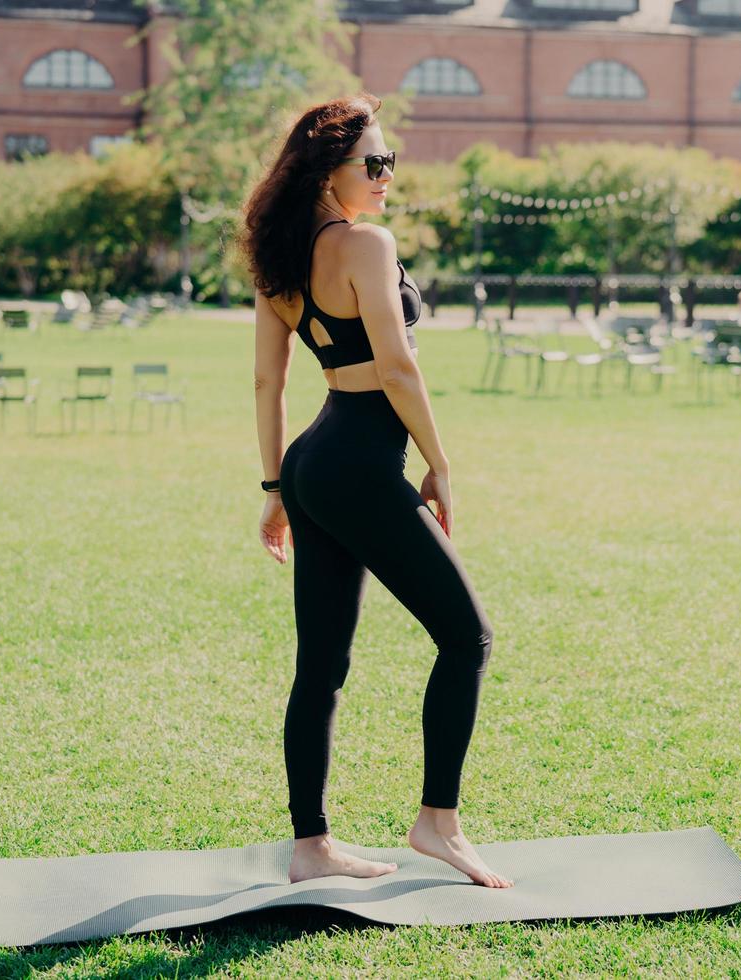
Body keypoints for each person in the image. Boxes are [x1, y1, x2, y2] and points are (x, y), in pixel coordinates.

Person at [240, 93, 512, 889]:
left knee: (321, 662)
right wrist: (441, 463)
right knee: (468, 637)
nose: (389, 175)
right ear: (332, 170)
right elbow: (396, 367)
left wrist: (274, 487)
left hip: (313, 461)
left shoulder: (279, 255)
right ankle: (438, 824)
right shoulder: (365, 244)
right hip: (359, 459)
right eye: (377, 162)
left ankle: (310, 845)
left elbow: (268, 379)